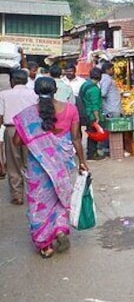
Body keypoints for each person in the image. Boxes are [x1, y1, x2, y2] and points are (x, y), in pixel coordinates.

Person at [13, 77, 87, 258]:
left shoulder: (27, 114)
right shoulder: (71, 109)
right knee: (60, 197)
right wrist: (83, 162)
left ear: (36, 92)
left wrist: (35, 139)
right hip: (62, 163)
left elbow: (16, 141)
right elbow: (76, 138)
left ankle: (44, 244)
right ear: (56, 90)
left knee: (40, 202)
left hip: (38, 167)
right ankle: (60, 230)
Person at [0, 69, 38, 204]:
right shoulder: (34, 94)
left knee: (13, 163)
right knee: (31, 162)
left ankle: (17, 195)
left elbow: (0, 116)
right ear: (26, 81)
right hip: (31, 129)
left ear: (12, 81)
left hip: (11, 129)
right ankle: (35, 192)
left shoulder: (4, 94)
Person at [79, 68, 104, 160]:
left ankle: (91, 153)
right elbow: (95, 105)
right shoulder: (94, 89)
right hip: (91, 115)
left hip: (85, 112)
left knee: (91, 133)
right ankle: (92, 154)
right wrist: (97, 118)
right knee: (94, 134)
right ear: (100, 77)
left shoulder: (85, 85)